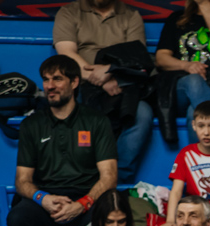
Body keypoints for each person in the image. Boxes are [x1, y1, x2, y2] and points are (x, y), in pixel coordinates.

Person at [7, 55, 117, 226]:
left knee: (111, 213)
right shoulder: (32, 124)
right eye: (46, 80)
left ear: (74, 82)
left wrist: (82, 204)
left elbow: (109, 177)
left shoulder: (96, 121)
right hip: (48, 201)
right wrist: (43, 198)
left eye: (57, 79)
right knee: (17, 218)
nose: (50, 86)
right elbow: (22, 180)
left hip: (86, 200)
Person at [52, 0, 150, 182]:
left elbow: (136, 58)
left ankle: (117, 179)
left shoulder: (131, 15)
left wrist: (111, 73)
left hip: (121, 82)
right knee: (80, 112)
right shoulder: (69, 12)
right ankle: (87, 178)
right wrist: (98, 77)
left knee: (143, 113)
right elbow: (66, 55)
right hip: (81, 83)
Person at [155, 0, 210, 144]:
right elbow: (161, 58)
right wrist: (186, 66)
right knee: (194, 80)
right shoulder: (177, 18)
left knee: (196, 112)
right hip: (180, 92)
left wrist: (203, 4)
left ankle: (201, 164)